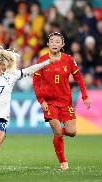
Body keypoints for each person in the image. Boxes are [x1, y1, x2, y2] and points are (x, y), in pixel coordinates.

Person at [33, 32, 91, 171]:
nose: (54, 43)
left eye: (57, 41)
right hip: (50, 102)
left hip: (66, 101)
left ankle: (57, 134)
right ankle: (63, 162)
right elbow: (36, 83)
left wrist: (85, 96)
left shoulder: (69, 60)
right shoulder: (42, 60)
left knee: (72, 132)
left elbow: (79, 78)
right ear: (47, 44)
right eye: (51, 41)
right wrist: (41, 100)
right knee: (58, 132)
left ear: (62, 45)